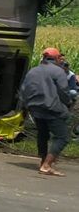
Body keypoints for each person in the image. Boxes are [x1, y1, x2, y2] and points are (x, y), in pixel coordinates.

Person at [20, 47, 71, 176]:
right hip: (51, 109)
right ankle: (47, 165)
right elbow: (64, 92)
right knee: (62, 137)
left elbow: (24, 89)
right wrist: (67, 104)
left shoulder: (33, 71)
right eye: (60, 57)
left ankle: (43, 161)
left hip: (35, 109)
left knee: (43, 135)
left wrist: (27, 106)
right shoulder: (58, 72)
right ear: (56, 58)